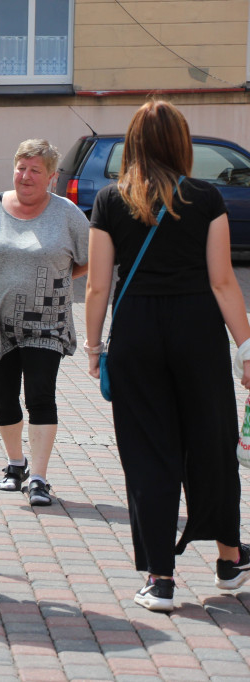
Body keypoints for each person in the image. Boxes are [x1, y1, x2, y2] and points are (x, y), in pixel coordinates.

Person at [85, 100, 250, 612]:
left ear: (132, 142)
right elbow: (224, 281)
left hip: (135, 332)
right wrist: (246, 347)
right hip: (197, 328)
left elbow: (96, 286)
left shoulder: (111, 200)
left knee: (148, 454)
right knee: (212, 442)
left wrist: (94, 349)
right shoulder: (206, 198)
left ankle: (160, 579)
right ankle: (229, 557)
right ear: (182, 143)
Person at [0, 140, 89, 507]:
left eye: (35, 170)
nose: (26, 176)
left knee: (40, 394)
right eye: (21, 168)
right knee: (3, 398)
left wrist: (60, 278)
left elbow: (93, 256)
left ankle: (38, 478)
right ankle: (15, 464)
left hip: (47, 321)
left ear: (52, 177)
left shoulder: (68, 215)